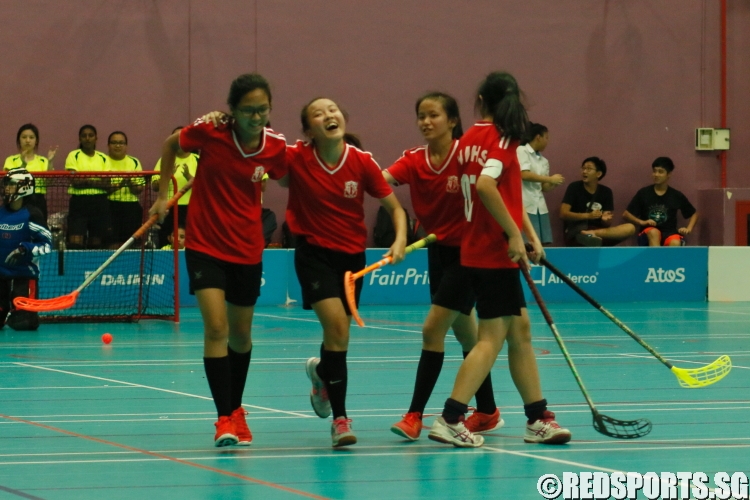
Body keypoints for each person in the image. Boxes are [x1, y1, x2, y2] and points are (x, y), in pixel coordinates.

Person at [428, 72, 571, 448]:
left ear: (479, 99)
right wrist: (511, 235)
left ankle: (537, 418)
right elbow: (486, 186)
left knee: (520, 331)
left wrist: (530, 237)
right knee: (491, 339)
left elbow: (500, 193)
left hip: (476, 250)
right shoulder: (504, 138)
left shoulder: (466, 141)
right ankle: (451, 417)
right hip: (493, 253)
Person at [149, 73, 288, 447]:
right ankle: (223, 418)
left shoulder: (275, 146)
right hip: (205, 245)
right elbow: (169, 145)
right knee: (216, 329)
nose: (256, 117)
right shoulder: (209, 132)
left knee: (241, 335)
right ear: (232, 110)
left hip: (246, 248)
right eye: (248, 110)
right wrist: (163, 196)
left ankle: (237, 408)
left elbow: (288, 178)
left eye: (263, 110)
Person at [281, 97, 407, 447]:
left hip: (353, 260)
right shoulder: (297, 156)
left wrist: (399, 240)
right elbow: (267, 162)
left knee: (338, 339)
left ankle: (322, 372)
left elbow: (395, 208)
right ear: (309, 131)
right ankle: (340, 420)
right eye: (318, 114)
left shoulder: (362, 161)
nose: (329, 115)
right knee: (337, 328)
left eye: (333, 110)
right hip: (313, 253)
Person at [382, 92, 502, 441]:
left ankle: (414, 414)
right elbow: (378, 181)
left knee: (432, 330)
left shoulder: (467, 156)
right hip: (439, 253)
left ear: (452, 121)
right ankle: (488, 410)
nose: (425, 121)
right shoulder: (414, 160)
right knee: (467, 335)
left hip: (469, 253)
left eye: (433, 115)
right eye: (421, 115)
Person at [0, 169, 52, 331]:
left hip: (24, 276)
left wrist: (25, 249)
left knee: (24, 324)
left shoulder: (32, 214)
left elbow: (47, 245)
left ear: (24, 188)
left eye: (11, 185)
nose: (6, 189)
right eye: (6, 185)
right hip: (1, 276)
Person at [559, 157, 635, 246]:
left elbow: (607, 224)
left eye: (589, 169)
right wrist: (588, 216)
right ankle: (591, 236)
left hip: (599, 231)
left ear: (598, 174)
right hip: (579, 232)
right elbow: (563, 214)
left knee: (630, 228)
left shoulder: (606, 192)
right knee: (594, 241)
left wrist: (606, 220)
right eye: (583, 168)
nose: (584, 171)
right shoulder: (574, 187)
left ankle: (593, 234)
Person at [623, 157, 698, 246]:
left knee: (675, 242)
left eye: (660, 172)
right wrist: (642, 222)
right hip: (648, 232)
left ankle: (668, 260)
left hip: (670, 232)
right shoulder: (644, 193)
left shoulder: (676, 195)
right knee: (654, 233)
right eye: (654, 171)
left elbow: (694, 214)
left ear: (669, 174)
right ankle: (656, 259)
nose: (656, 174)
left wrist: (688, 228)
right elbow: (626, 214)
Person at [64, 125, 112, 249]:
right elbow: (75, 181)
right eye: (84, 136)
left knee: (96, 244)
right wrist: (96, 180)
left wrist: (86, 180)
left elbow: (107, 183)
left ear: (96, 138)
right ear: (80, 138)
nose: (87, 138)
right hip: (79, 204)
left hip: (99, 203)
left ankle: (94, 269)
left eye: (90, 135)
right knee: (75, 243)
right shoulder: (73, 155)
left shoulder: (103, 158)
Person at [517, 123, 563, 246]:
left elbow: (544, 187)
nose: (547, 141)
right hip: (524, 203)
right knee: (526, 243)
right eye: (546, 137)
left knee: (540, 243)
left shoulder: (544, 161)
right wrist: (549, 179)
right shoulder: (522, 150)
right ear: (538, 137)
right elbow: (524, 174)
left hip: (539, 207)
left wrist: (554, 183)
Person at [153, 126, 198, 247]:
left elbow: (209, 188)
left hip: (192, 208)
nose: (179, 141)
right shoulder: (165, 160)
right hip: (169, 207)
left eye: (182, 137)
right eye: (175, 138)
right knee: (165, 240)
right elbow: (154, 186)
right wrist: (168, 175)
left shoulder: (199, 160)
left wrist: (191, 179)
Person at [4, 123, 58, 221]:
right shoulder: (11, 160)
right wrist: (23, 164)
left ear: (36, 141)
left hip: (38, 201)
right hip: (17, 200)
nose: (27, 140)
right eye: (24, 137)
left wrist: (50, 162)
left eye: (31, 137)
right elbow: (10, 181)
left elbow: (48, 182)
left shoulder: (43, 161)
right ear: (18, 140)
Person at [107, 131, 145, 248]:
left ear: (126, 146)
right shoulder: (102, 160)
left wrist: (129, 182)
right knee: (110, 243)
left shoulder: (134, 162)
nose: (118, 146)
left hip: (131, 207)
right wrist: (118, 185)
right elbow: (100, 187)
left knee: (131, 243)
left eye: (121, 143)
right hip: (109, 207)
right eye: (114, 142)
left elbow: (139, 189)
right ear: (108, 145)